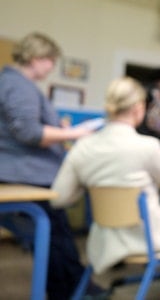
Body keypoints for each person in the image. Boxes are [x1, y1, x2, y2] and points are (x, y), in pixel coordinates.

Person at [50, 77, 160, 284]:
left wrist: (89, 187)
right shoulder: (148, 146)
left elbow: (58, 199)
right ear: (139, 108)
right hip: (149, 239)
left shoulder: (82, 147)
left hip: (105, 241)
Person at [0, 32, 104, 299]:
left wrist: (60, 129)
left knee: (57, 239)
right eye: (51, 61)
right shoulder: (18, 85)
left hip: (27, 173)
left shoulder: (14, 83)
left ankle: (77, 287)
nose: (51, 68)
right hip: (28, 175)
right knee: (56, 240)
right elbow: (29, 133)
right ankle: (72, 291)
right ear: (37, 58)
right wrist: (75, 133)